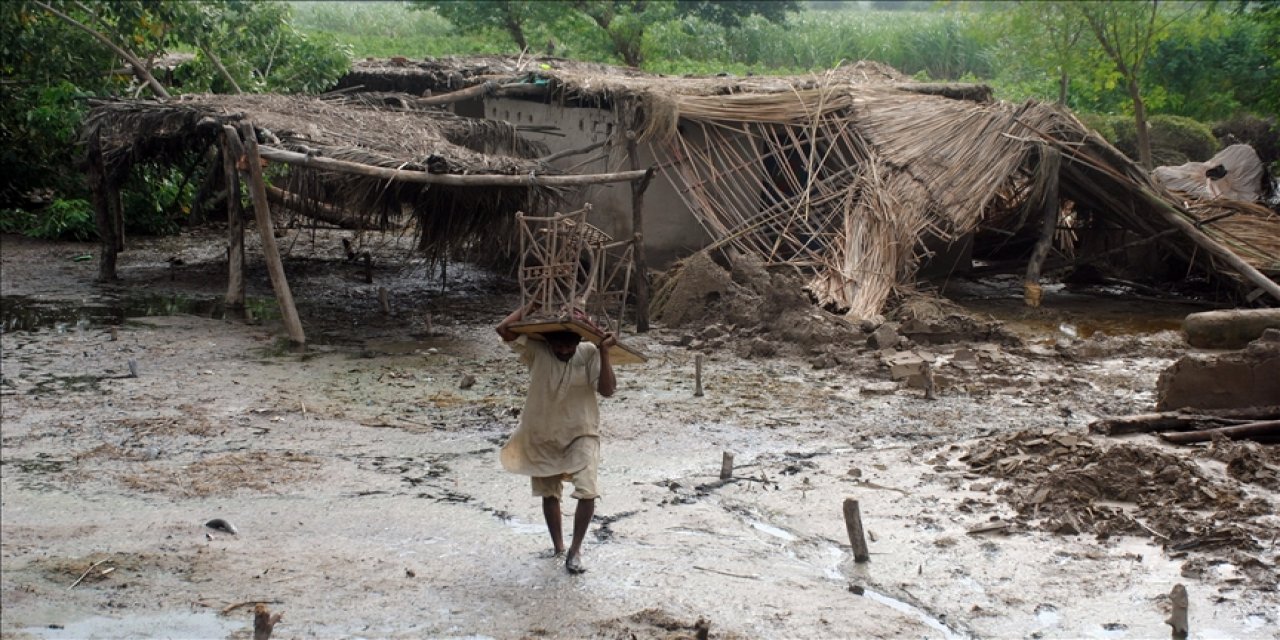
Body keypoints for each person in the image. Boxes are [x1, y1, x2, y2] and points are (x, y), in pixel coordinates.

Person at [496, 302, 616, 574]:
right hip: (543, 432)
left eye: (568, 346)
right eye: (558, 346)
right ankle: (558, 546)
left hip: (581, 432)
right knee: (549, 493)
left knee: (587, 490)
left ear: (578, 341)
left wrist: (605, 352)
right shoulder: (536, 352)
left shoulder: (588, 353)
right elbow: (503, 329)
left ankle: (575, 550)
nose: (563, 351)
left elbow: (607, 390)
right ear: (548, 343)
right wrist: (533, 303)